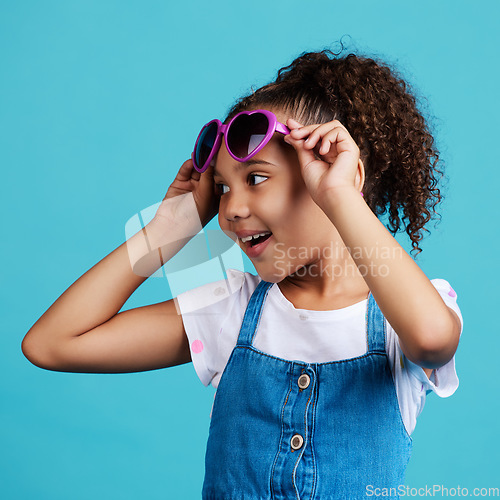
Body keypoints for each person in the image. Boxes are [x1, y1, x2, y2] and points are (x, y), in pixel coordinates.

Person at [22, 47, 463, 499]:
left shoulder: (404, 315)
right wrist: (166, 232)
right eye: (221, 188)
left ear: (335, 174)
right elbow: (51, 344)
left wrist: (342, 197)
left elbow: (431, 340)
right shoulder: (229, 309)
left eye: (255, 179)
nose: (230, 210)